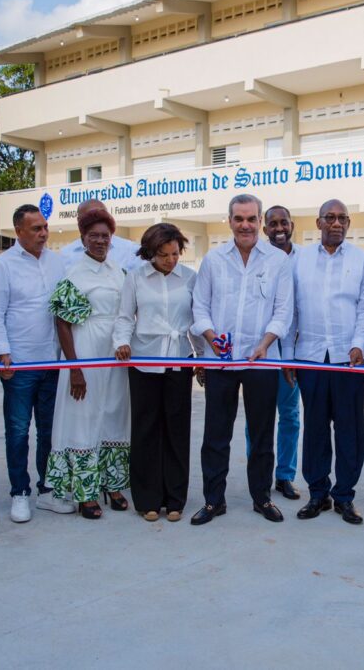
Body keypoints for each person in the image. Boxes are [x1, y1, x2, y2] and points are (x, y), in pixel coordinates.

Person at [190, 194, 294, 525]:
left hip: (261, 360)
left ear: (259, 221)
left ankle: (261, 498)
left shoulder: (278, 261)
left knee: (262, 434)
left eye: (251, 219)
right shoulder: (213, 260)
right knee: (215, 434)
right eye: (239, 219)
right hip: (220, 362)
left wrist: (265, 343)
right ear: (230, 221)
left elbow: (283, 311)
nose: (245, 225)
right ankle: (213, 501)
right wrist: (211, 338)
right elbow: (199, 307)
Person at [292, 199, 364, 525]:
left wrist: (357, 345)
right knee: (314, 428)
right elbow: (290, 311)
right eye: (330, 217)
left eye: (342, 218)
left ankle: (344, 496)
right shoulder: (299, 260)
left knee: (349, 428)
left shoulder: (362, 259)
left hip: (350, 359)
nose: (336, 223)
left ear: (349, 223)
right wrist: (287, 359)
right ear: (318, 223)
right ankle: (317, 494)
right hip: (310, 358)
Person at [113, 223, 202, 522]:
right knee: (145, 430)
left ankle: (175, 500)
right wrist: (122, 342)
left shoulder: (189, 278)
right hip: (144, 361)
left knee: (177, 430)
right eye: (164, 255)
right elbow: (125, 317)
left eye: (175, 253)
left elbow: (197, 321)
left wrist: (202, 357)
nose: (170, 260)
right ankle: (147, 500)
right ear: (150, 253)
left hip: (179, 359)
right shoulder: (136, 278)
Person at [0, 203, 66, 522]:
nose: (44, 233)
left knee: (49, 431)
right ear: (18, 231)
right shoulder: (3, 265)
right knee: (18, 432)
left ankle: (47, 491)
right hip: (18, 365)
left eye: (45, 227)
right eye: (36, 228)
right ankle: (20, 492)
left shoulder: (57, 262)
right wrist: (2, 353)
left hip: (52, 363)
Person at [47, 207, 130, 519]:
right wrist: (75, 369)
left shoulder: (118, 271)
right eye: (93, 235)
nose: (99, 241)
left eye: (105, 236)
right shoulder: (75, 273)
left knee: (114, 415)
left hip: (116, 354)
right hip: (86, 350)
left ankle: (113, 484)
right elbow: (62, 323)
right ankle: (85, 492)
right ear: (82, 238)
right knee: (84, 418)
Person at [244, 205, 302, 501]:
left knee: (290, 416)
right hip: (261, 353)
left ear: (292, 225)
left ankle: (285, 476)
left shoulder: (305, 260)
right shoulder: (257, 258)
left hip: (292, 353)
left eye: (284, 223)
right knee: (256, 419)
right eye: (273, 224)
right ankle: (258, 475)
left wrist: (290, 357)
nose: (279, 228)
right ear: (264, 228)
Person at [59, 199, 142, 272]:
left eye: (102, 216)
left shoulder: (130, 249)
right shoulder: (66, 254)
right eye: (90, 217)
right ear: (79, 221)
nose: (97, 219)